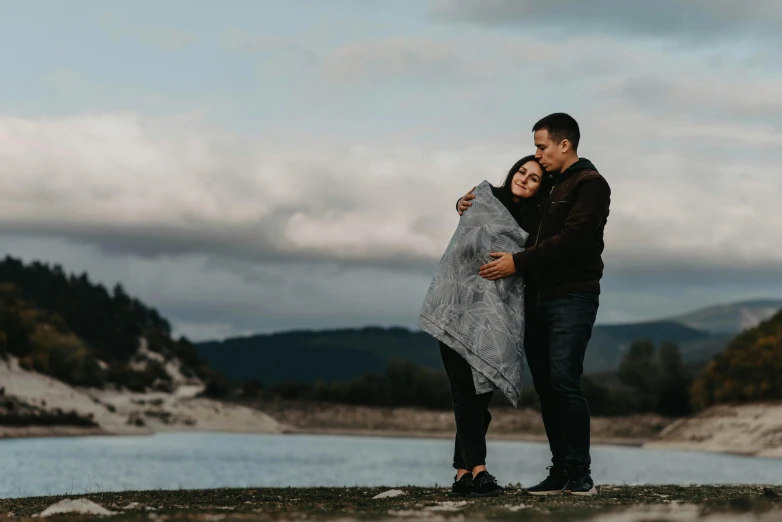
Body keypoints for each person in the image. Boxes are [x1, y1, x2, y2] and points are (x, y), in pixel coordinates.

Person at [457, 113, 611, 496]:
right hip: (534, 299)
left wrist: (517, 263)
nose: (536, 155)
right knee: (545, 387)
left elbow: (573, 240)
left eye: (541, 146)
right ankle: (560, 472)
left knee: (563, 380)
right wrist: (464, 202)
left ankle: (580, 474)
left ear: (564, 144)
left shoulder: (590, 185)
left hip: (572, 295)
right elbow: (507, 199)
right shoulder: (549, 186)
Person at [440, 155, 544, 498]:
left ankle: (462, 475)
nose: (525, 180)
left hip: (498, 314)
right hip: (457, 306)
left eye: (534, 179)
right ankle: (479, 471)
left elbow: (531, 262)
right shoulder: (483, 198)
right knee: (464, 393)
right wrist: (460, 203)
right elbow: (464, 242)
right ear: (513, 171)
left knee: (478, 396)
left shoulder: (536, 222)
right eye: (522, 172)